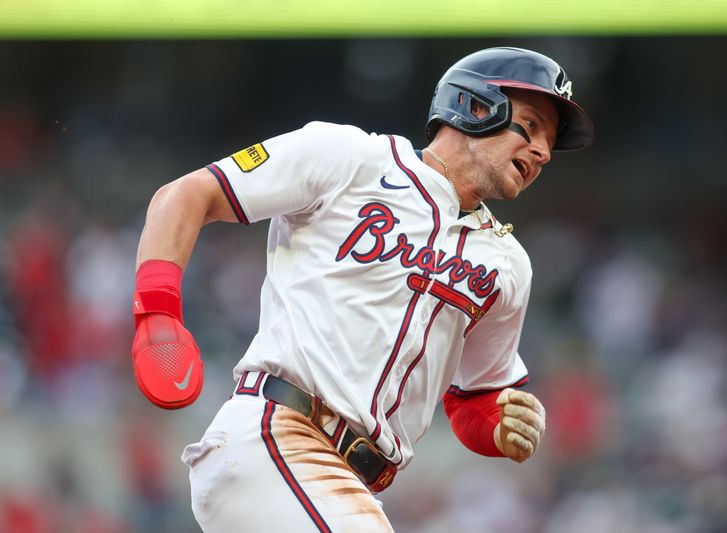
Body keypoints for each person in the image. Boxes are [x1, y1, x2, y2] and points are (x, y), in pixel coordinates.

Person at [130, 46, 594, 532]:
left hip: (345, 481)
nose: (543, 151)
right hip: (274, 437)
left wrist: (501, 428)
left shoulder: (507, 264)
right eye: (531, 125)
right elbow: (187, 194)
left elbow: (474, 399)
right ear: (476, 106)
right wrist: (157, 315)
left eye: (550, 140)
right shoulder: (349, 158)